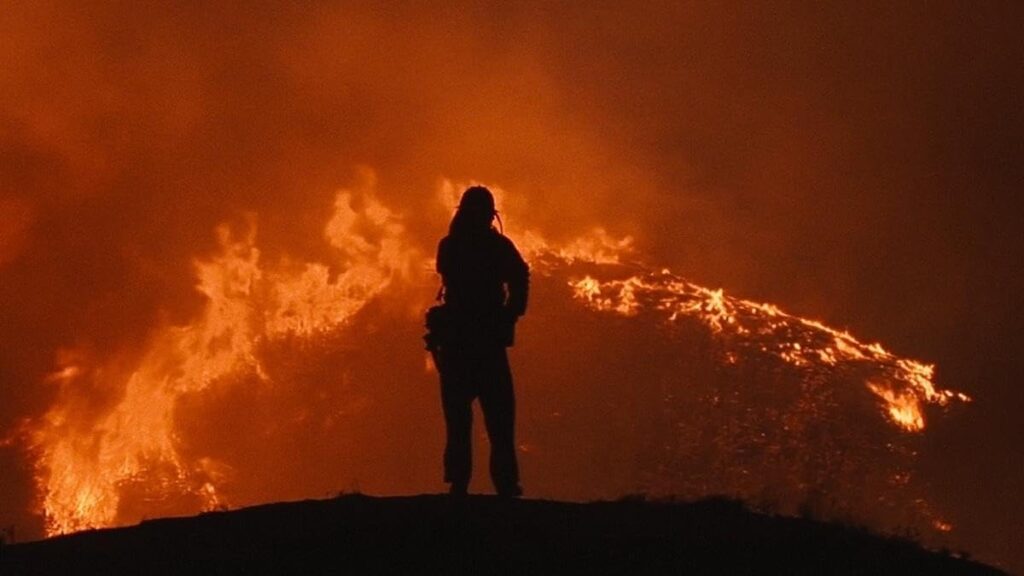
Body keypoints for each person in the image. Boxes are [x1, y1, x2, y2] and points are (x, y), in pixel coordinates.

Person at [429, 185, 529, 497]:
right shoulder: (497, 247)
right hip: (486, 344)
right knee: (500, 424)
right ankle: (505, 487)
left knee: (459, 423)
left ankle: (460, 486)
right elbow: (520, 277)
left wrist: (510, 313)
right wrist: (510, 313)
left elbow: (447, 274)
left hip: (459, 343)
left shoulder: (449, 245)